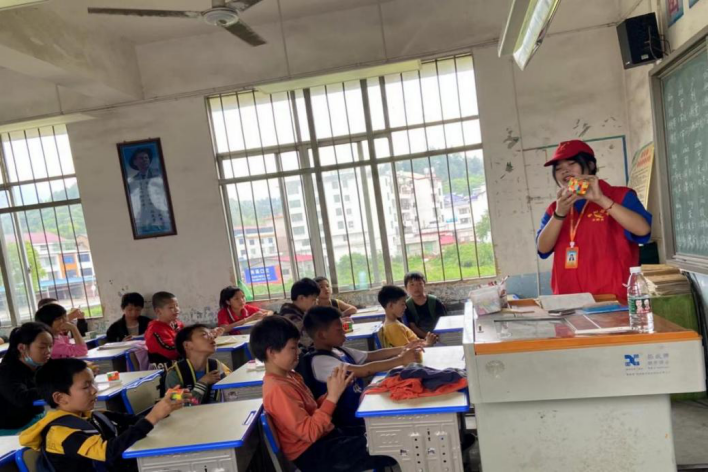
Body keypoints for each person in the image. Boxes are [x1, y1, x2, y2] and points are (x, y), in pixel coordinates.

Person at [250, 316, 397, 472]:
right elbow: (310, 432)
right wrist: (332, 397)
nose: (298, 351)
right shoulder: (277, 389)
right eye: (293, 348)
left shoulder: (290, 376)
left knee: (379, 432)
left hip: (324, 438)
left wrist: (333, 391)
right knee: (388, 445)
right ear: (272, 352)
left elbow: (311, 410)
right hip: (314, 455)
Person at [20, 358, 187, 471]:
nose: (94, 390)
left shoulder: (92, 415)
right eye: (86, 386)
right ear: (60, 398)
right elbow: (107, 452)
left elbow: (135, 421)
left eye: (93, 383)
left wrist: (165, 405)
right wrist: (154, 416)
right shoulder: (60, 433)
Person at [536, 140, 651, 303]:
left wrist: (600, 199)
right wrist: (559, 214)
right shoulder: (556, 208)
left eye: (571, 163)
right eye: (559, 168)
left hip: (612, 299)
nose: (565, 170)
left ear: (590, 165)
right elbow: (542, 248)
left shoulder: (620, 196)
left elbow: (643, 230)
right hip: (567, 300)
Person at [299, 306, 421, 432]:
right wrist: (401, 360)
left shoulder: (338, 350)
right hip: (349, 424)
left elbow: (371, 355)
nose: (344, 332)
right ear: (321, 335)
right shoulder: (320, 362)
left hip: (361, 406)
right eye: (339, 329)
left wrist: (404, 348)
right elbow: (364, 370)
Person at [0, 323, 53, 435]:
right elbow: (22, 398)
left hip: (35, 419)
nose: (48, 351)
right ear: (22, 348)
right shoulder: (6, 371)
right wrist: (52, 386)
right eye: (42, 347)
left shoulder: (39, 364)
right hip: (13, 430)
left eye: (50, 346)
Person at [164, 324, 231, 405]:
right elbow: (180, 404)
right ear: (187, 345)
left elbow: (229, 393)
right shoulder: (175, 374)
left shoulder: (216, 365)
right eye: (204, 334)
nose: (212, 337)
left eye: (211, 334)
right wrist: (203, 382)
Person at [126, 147, 173, 236]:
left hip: (161, 215)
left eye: (146, 157)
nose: (144, 160)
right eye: (141, 158)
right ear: (135, 162)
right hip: (143, 218)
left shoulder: (159, 174)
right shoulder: (133, 180)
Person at [379, 285, 438, 352]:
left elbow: (410, 346)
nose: (405, 307)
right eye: (402, 304)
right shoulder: (393, 327)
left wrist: (425, 341)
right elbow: (407, 352)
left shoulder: (394, 323)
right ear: (391, 306)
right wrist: (428, 343)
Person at [278, 278, 320, 351]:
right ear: (301, 298)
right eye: (313, 300)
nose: (316, 303)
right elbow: (309, 341)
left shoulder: (300, 312)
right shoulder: (290, 316)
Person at [403, 272, 448, 338]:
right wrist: (427, 337)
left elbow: (443, 320)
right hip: (420, 339)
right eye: (412, 284)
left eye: (420, 284)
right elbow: (412, 327)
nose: (416, 287)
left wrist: (437, 336)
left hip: (439, 335)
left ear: (424, 285)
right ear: (406, 288)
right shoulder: (406, 306)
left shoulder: (434, 301)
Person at [144, 291, 184, 366]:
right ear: (158, 311)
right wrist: (192, 346)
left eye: (177, 305)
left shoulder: (177, 323)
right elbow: (171, 352)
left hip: (180, 363)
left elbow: (188, 336)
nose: (176, 309)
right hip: (166, 369)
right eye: (171, 307)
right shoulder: (154, 330)